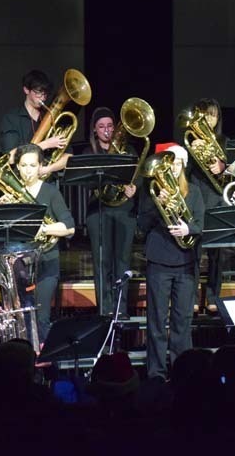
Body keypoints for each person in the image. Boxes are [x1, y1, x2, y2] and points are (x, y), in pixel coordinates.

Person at [138, 143, 205, 380]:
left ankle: (182, 372)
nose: (173, 168)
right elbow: (141, 226)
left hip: (186, 263)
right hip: (159, 261)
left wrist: (189, 228)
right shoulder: (151, 192)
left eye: (177, 163)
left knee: (182, 321)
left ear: (184, 166)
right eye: (170, 162)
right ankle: (156, 372)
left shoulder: (194, 191)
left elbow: (201, 225)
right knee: (156, 321)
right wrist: (159, 206)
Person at [0, 143, 75, 343]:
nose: (28, 171)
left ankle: (46, 367)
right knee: (20, 317)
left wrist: (45, 229)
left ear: (41, 167)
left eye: (32, 166)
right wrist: (5, 213)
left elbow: (70, 227)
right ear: (18, 168)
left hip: (46, 262)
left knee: (41, 318)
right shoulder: (12, 195)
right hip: (20, 265)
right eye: (23, 166)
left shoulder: (50, 192)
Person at [81, 106, 139, 319]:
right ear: (95, 130)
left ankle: (121, 311)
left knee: (122, 262)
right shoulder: (89, 153)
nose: (107, 130)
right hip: (99, 212)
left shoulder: (128, 150)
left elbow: (137, 174)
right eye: (101, 127)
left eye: (110, 126)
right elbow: (86, 183)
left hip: (124, 211)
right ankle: (105, 312)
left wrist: (134, 187)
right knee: (102, 263)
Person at [185, 98, 228, 313]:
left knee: (217, 253)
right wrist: (193, 152)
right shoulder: (190, 139)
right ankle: (192, 296)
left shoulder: (225, 141)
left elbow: (233, 172)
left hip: (217, 198)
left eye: (212, 114)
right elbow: (184, 173)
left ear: (218, 118)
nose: (208, 119)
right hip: (197, 198)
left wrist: (222, 165)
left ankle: (213, 296)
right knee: (194, 250)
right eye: (205, 114)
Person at [0, 69, 70, 179]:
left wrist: (48, 169)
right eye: (38, 92)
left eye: (45, 93)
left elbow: (68, 155)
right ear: (26, 90)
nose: (43, 97)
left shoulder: (52, 117)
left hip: (48, 183)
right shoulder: (11, 118)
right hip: (20, 181)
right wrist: (45, 144)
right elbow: (10, 158)